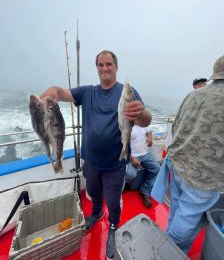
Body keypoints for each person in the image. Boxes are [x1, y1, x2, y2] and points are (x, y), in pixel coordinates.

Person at [40, 50, 152, 260]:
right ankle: (96, 213)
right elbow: (62, 93)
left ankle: (113, 227)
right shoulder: (87, 92)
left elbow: (145, 120)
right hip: (90, 160)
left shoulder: (127, 92)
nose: (105, 68)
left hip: (115, 163)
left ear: (116, 67)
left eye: (109, 64)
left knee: (113, 199)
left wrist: (142, 114)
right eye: (100, 65)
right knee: (92, 192)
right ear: (97, 68)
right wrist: (53, 91)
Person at [152, 55, 224, 254]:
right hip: (202, 177)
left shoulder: (193, 96)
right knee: (185, 222)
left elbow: (175, 128)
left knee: (176, 209)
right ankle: (166, 254)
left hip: (176, 164)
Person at [125, 126, 160, 208]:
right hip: (131, 155)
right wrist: (131, 158)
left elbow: (149, 131)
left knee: (156, 168)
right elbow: (121, 145)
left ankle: (145, 190)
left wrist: (150, 139)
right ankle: (123, 186)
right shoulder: (126, 125)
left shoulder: (142, 122)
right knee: (131, 174)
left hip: (144, 154)